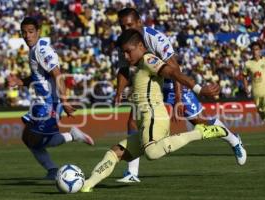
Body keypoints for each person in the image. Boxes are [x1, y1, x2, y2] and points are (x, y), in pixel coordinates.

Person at [80, 29, 229, 193]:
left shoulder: (148, 59)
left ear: (140, 46)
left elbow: (173, 72)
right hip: (145, 121)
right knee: (115, 152)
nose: (126, 56)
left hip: (153, 116)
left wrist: (199, 89)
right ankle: (87, 184)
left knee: (151, 152)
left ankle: (201, 132)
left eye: (128, 51)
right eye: (123, 53)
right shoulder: (137, 65)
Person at [115, 8, 246, 183]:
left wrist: (178, 99)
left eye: (129, 25)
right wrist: (118, 92)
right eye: (122, 27)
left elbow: (174, 69)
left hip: (170, 82)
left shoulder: (155, 38)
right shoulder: (126, 42)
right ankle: (132, 172)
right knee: (133, 120)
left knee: (198, 122)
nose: (126, 29)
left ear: (140, 22)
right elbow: (123, 70)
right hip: (151, 84)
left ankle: (232, 138)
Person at [8, 17, 94, 180]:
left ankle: (70, 139)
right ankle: (53, 168)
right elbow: (40, 76)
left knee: (34, 140)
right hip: (40, 101)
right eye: (24, 32)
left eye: (31, 32)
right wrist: (20, 81)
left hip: (49, 102)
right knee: (28, 139)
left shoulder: (42, 49)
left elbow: (57, 74)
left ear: (39, 31)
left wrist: (65, 101)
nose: (27, 36)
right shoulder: (33, 50)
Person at [243, 42, 265, 143]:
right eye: (253, 49)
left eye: (257, 49)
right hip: (255, 93)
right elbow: (244, 76)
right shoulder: (248, 64)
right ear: (251, 51)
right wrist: (246, 88)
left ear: (260, 50)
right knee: (263, 116)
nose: (255, 51)